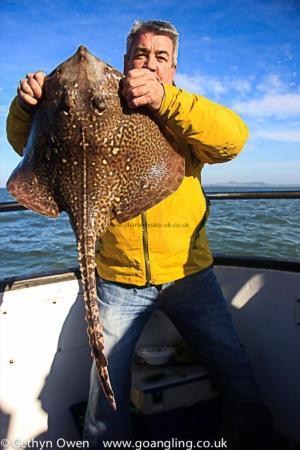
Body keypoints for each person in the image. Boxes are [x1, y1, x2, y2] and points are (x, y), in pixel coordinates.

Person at [7, 20, 276, 450]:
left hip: (190, 274)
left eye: (161, 57)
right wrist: (28, 106)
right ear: (127, 59)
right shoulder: (111, 97)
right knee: (105, 385)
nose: (149, 63)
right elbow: (25, 146)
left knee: (234, 367)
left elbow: (234, 139)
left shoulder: (185, 111)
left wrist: (166, 101)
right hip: (118, 276)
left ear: (173, 67)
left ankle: (262, 439)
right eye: (140, 55)